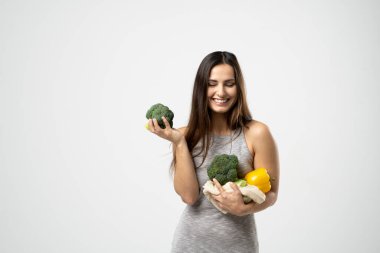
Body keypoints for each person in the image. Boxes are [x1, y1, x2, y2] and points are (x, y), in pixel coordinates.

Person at [147, 51, 279, 253]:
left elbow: (271, 194)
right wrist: (180, 143)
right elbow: (189, 197)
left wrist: (245, 208)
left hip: (239, 247)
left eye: (229, 83)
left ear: (238, 87)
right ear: (201, 88)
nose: (221, 92)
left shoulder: (257, 133)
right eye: (212, 83)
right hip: (189, 245)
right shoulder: (184, 136)